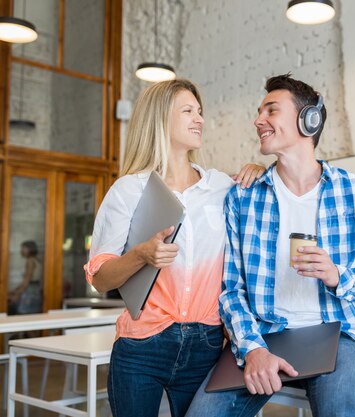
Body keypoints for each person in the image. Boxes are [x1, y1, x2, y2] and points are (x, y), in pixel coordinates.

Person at [186, 74, 355, 417]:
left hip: (338, 335)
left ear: (308, 120)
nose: (258, 120)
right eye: (258, 111)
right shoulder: (243, 196)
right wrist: (252, 349)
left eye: (271, 110)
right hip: (265, 337)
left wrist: (338, 276)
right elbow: (231, 291)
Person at [84, 79, 265, 417]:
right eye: (188, 111)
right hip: (142, 345)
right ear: (159, 119)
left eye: (200, 111)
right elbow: (101, 279)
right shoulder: (128, 190)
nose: (200, 119)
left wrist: (261, 171)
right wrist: (141, 254)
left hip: (209, 343)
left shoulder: (223, 187)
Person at [8, 240, 42, 315]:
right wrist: (14, 291)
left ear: (29, 250)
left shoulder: (30, 261)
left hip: (29, 292)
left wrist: (16, 295)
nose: (21, 251)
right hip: (35, 290)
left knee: (23, 315)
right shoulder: (36, 260)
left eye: (23, 248)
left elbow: (26, 281)